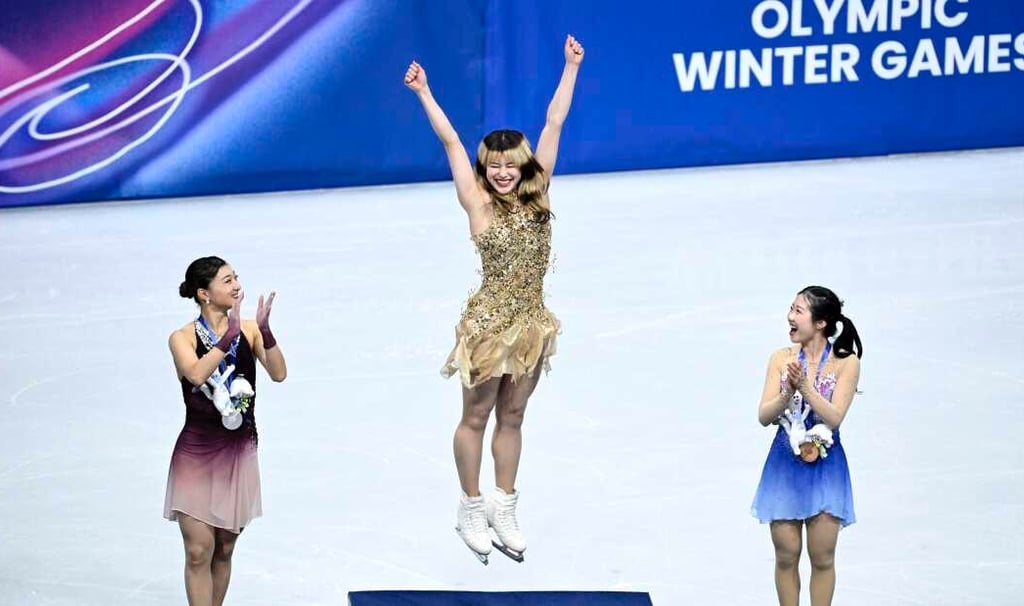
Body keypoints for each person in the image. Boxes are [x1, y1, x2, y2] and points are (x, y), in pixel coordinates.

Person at [404, 35, 584, 564]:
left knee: (514, 416)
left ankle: (504, 505)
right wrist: (424, 92)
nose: (502, 173)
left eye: (510, 165)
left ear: (524, 166)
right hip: (488, 327)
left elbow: (554, 123)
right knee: (477, 416)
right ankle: (470, 505)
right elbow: (451, 142)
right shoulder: (477, 204)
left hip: (531, 325)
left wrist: (570, 67)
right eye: (493, 165)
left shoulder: (540, 193)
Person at [165, 256, 286, 606]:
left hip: (239, 453)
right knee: (198, 552)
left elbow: (279, 373)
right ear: (204, 293)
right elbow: (195, 375)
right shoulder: (182, 338)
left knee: (224, 548)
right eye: (227, 280)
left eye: (236, 278)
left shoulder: (248, 330)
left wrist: (265, 333)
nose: (236, 286)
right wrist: (225, 340)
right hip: (196, 454)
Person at [751, 286, 863, 606]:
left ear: (821, 323)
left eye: (798, 311)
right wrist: (788, 391)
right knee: (786, 556)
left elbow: (834, 417)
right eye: (791, 308)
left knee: (822, 557)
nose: (790, 316)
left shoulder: (845, 362)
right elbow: (764, 416)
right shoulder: (781, 359)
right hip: (784, 466)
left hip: (826, 468)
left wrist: (805, 387)